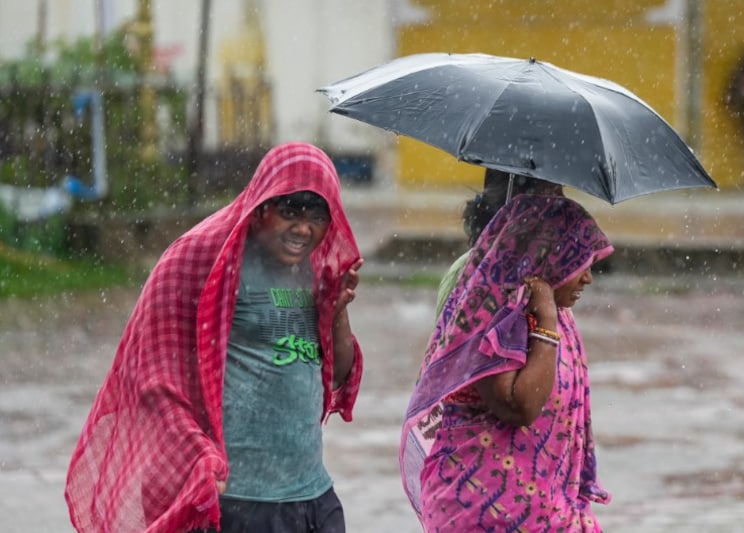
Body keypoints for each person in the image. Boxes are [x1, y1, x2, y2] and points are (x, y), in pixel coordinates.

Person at [64, 142, 365, 533]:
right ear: (262, 206)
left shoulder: (317, 270)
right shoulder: (203, 260)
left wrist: (338, 310)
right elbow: (154, 374)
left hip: (311, 497)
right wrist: (197, 454)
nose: (303, 229)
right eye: (290, 211)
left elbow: (336, 375)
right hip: (235, 502)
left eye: (317, 215)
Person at [401, 194, 614, 532]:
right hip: (481, 510)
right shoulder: (489, 309)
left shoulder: (559, 317)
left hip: (544, 509)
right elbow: (518, 407)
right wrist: (545, 321)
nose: (587, 277)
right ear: (546, 258)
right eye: (579, 261)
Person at [435, 168, 564, 315]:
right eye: (552, 193)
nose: (563, 201)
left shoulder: (548, 276)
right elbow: (451, 336)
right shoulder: (465, 273)